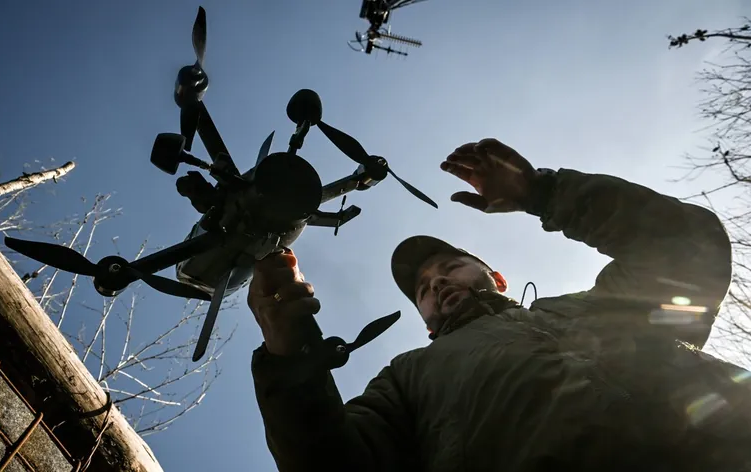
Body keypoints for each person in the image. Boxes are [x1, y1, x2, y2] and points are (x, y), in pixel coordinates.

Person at [246, 138, 751, 471]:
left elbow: (685, 246)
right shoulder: (407, 378)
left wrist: (542, 192)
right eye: (423, 289)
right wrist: (292, 360)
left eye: (449, 268)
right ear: (424, 321)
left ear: (497, 276)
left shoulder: (590, 309)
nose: (437, 285)